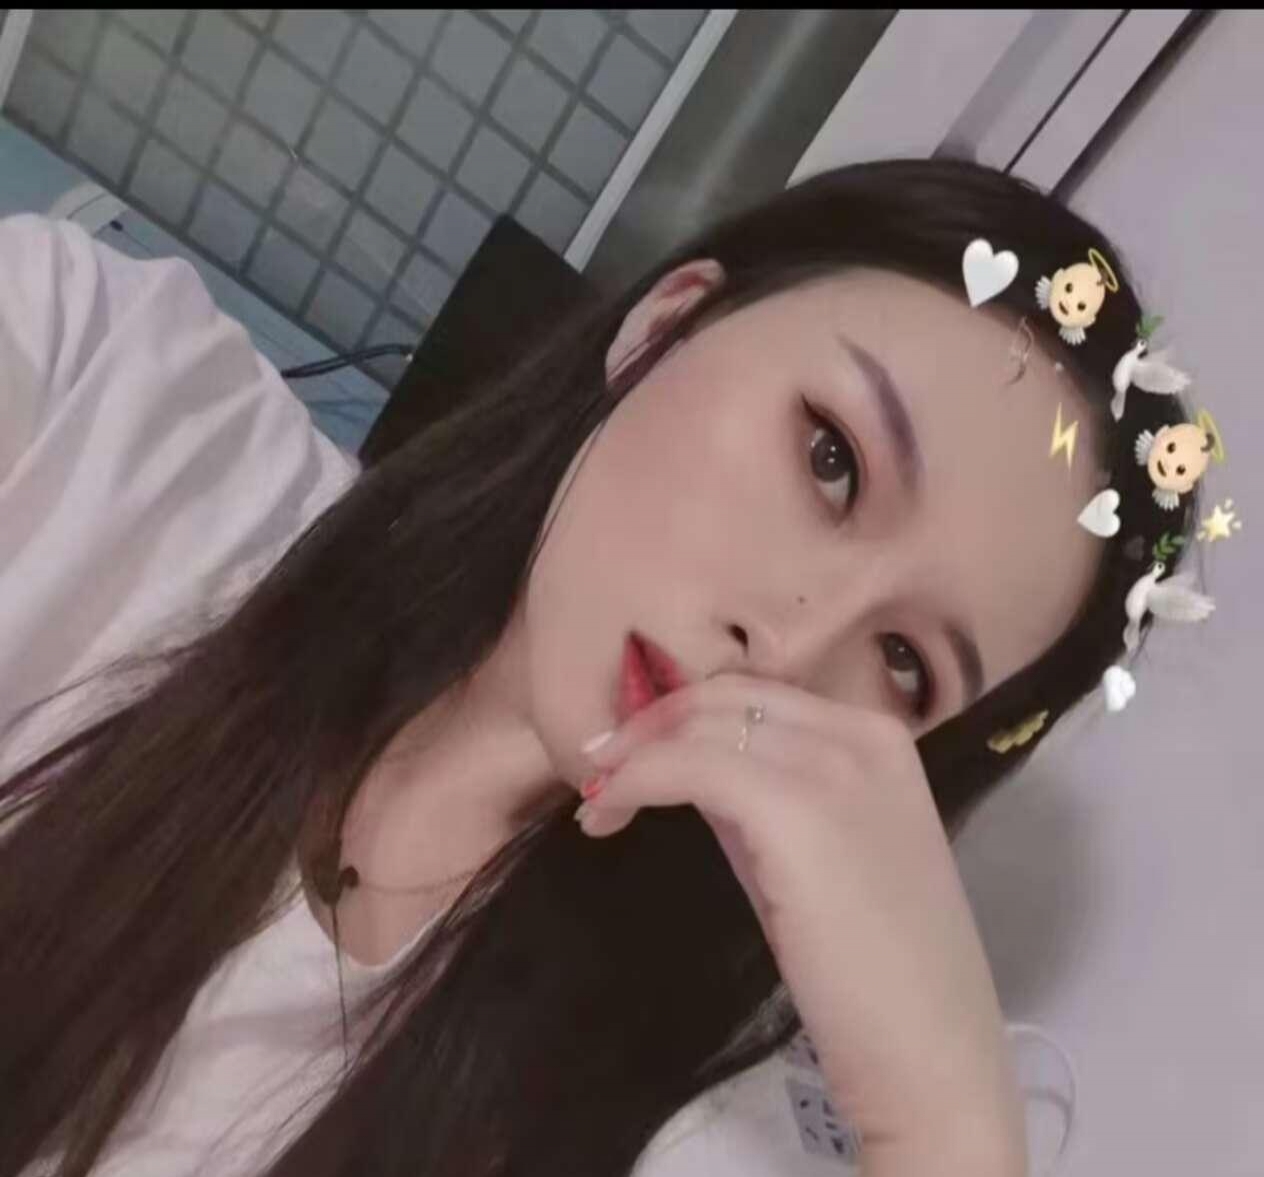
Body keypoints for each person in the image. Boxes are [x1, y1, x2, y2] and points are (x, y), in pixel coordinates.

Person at [0, 158, 1194, 1177]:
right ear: (666, 324)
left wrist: (941, 1117)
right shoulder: (117, 419)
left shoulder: (678, 1137)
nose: (787, 643)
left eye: (902, 660)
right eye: (831, 458)